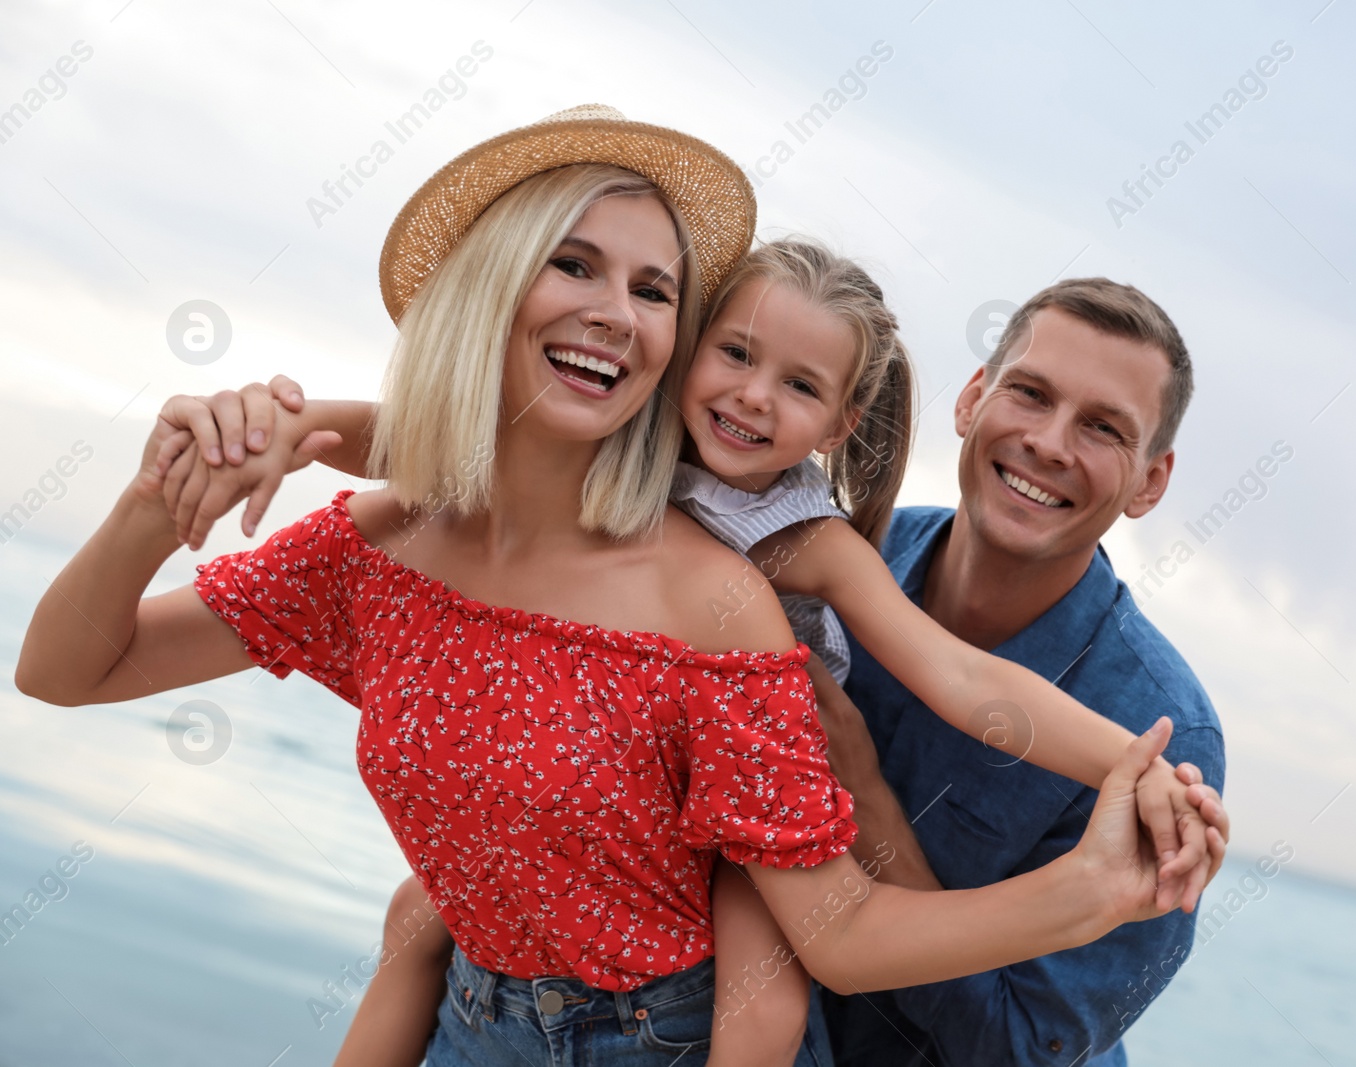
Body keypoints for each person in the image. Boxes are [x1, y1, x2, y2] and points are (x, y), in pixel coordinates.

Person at [15, 107, 1213, 1067]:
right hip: (481, 1013)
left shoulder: (750, 581)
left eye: (652, 289)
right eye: (575, 265)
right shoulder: (386, 544)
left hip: (677, 1015)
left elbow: (889, 842)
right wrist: (174, 483)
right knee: (413, 922)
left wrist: (1120, 811)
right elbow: (68, 668)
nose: (616, 312)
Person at [802, 277, 1229, 1065]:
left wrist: (865, 799)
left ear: (1151, 482)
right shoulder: (839, 553)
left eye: (1103, 428)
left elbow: (1027, 1050)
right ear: (971, 400)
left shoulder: (1161, 733)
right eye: (1030, 394)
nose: (1051, 443)